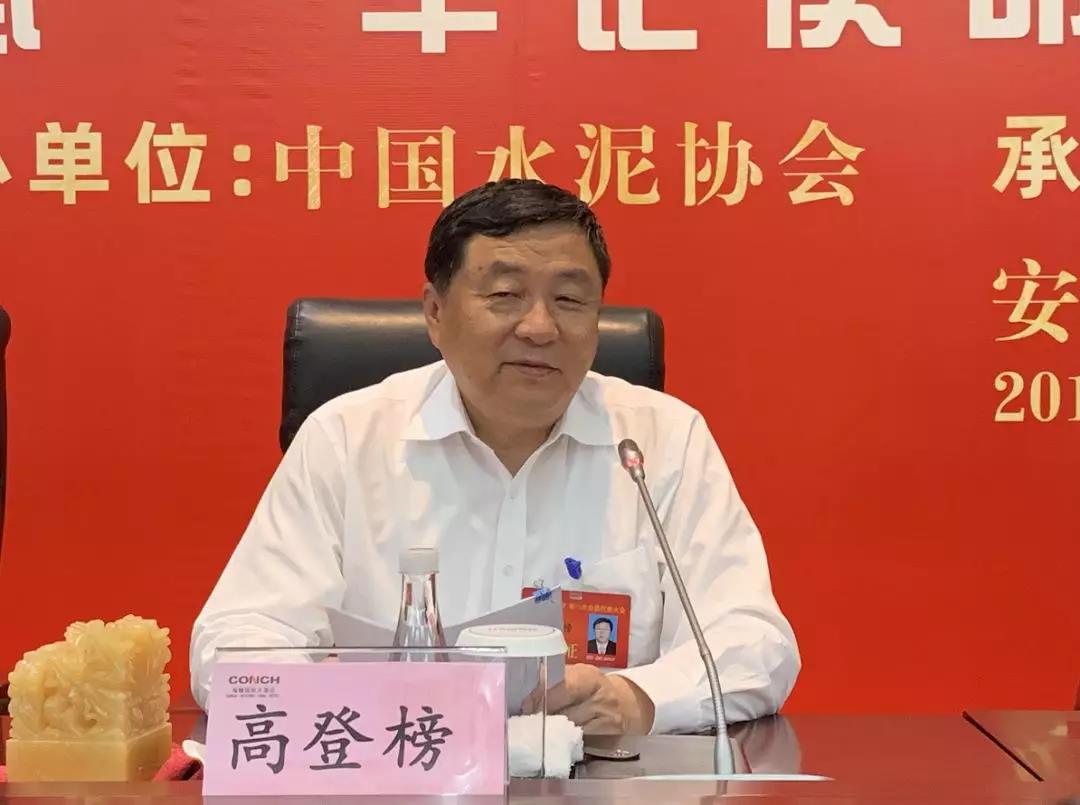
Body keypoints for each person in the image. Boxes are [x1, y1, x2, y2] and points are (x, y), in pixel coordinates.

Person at [190, 178, 800, 735]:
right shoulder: (346, 438)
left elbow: (753, 641)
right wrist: (348, 702)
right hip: (396, 773)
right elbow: (236, 644)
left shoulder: (658, 442)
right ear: (435, 313)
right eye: (505, 294)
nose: (539, 327)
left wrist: (635, 698)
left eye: (570, 300)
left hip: (601, 783)